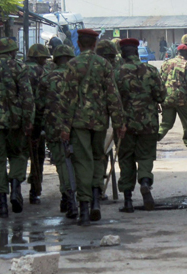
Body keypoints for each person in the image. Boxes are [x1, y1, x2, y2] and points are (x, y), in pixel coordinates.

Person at [64, 28, 125, 226]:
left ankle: (83, 209)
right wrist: (119, 123)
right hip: (100, 122)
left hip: (78, 123)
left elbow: (68, 99)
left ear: (79, 44)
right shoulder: (104, 64)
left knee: (82, 162)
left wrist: (64, 127)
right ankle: (96, 201)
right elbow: (113, 96)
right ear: (94, 44)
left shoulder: (72, 65)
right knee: (99, 158)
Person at [114, 39, 166, 213]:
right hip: (148, 123)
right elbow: (161, 96)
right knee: (145, 157)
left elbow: (113, 100)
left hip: (124, 125)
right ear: (136, 52)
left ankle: (128, 201)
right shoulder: (151, 71)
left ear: (122, 54)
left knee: (126, 159)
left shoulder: (117, 73)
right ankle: (145, 183)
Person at [0, 38, 34, 218]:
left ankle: (2, 205)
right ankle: (15, 188)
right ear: (13, 51)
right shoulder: (20, 68)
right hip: (16, 121)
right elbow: (27, 96)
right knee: (18, 155)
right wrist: (28, 120)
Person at [36, 45, 78, 219]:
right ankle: (76, 198)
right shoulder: (77, 76)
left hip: (54, 126)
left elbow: (38, 105)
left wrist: (37, 127)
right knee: (77, 162)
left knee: (61, 163)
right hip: (76, 126)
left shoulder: (47, 77)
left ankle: (68, 197)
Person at [158, 44, 187, 159]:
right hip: (182, 100)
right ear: (186, 54)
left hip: (167, 98)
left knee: (166, 124)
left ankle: (153, 140)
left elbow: (160, 81)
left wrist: (159, 99)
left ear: (177, 52)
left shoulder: (166, 64)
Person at [24, 44, 51, 205]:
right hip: (38, 121)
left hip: (20, 120)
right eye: (44, 58)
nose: (46, 61)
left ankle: (13, 190)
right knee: (37, 157)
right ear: (38, 57)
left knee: (19, 156)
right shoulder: (43, 73)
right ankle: (35, 191)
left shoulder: (19, 69)